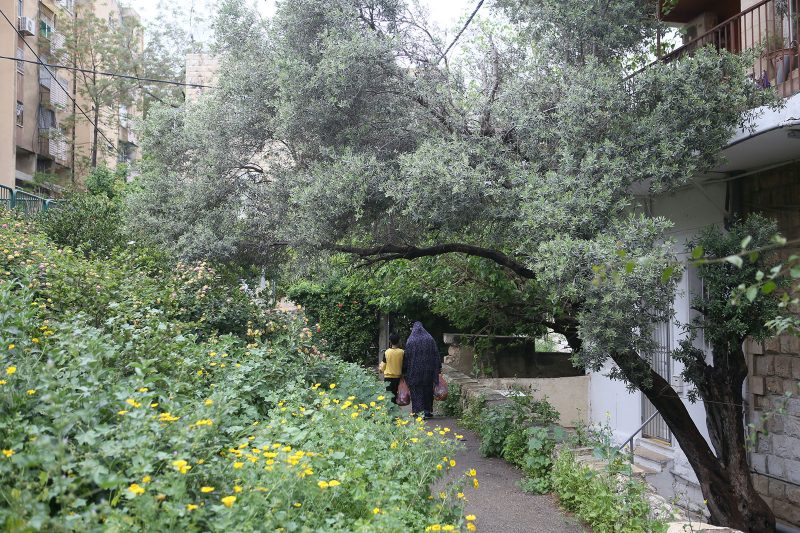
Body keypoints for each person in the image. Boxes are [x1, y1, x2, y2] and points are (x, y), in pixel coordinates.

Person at [402, 321, 441, 419]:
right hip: (428, 372)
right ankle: (427, 411)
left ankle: (418, 412)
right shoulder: (430, 339)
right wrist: (438, 368)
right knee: (427, 391)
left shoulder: (410, 340)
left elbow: (406, 357)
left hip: (414, 372)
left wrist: (404, 371)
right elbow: (436, 354)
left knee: (416, 392)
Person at [380, 332, 404, 404]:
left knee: (390, 396)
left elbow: (383, 364)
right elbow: (404, 365)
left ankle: (391, 412)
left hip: (388, 377)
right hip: (398, 378)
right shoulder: (402, 352)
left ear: (390, 341)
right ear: (399, 341)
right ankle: (396, 411)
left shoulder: (387, 352)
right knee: (397, 395)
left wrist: (381, 369)